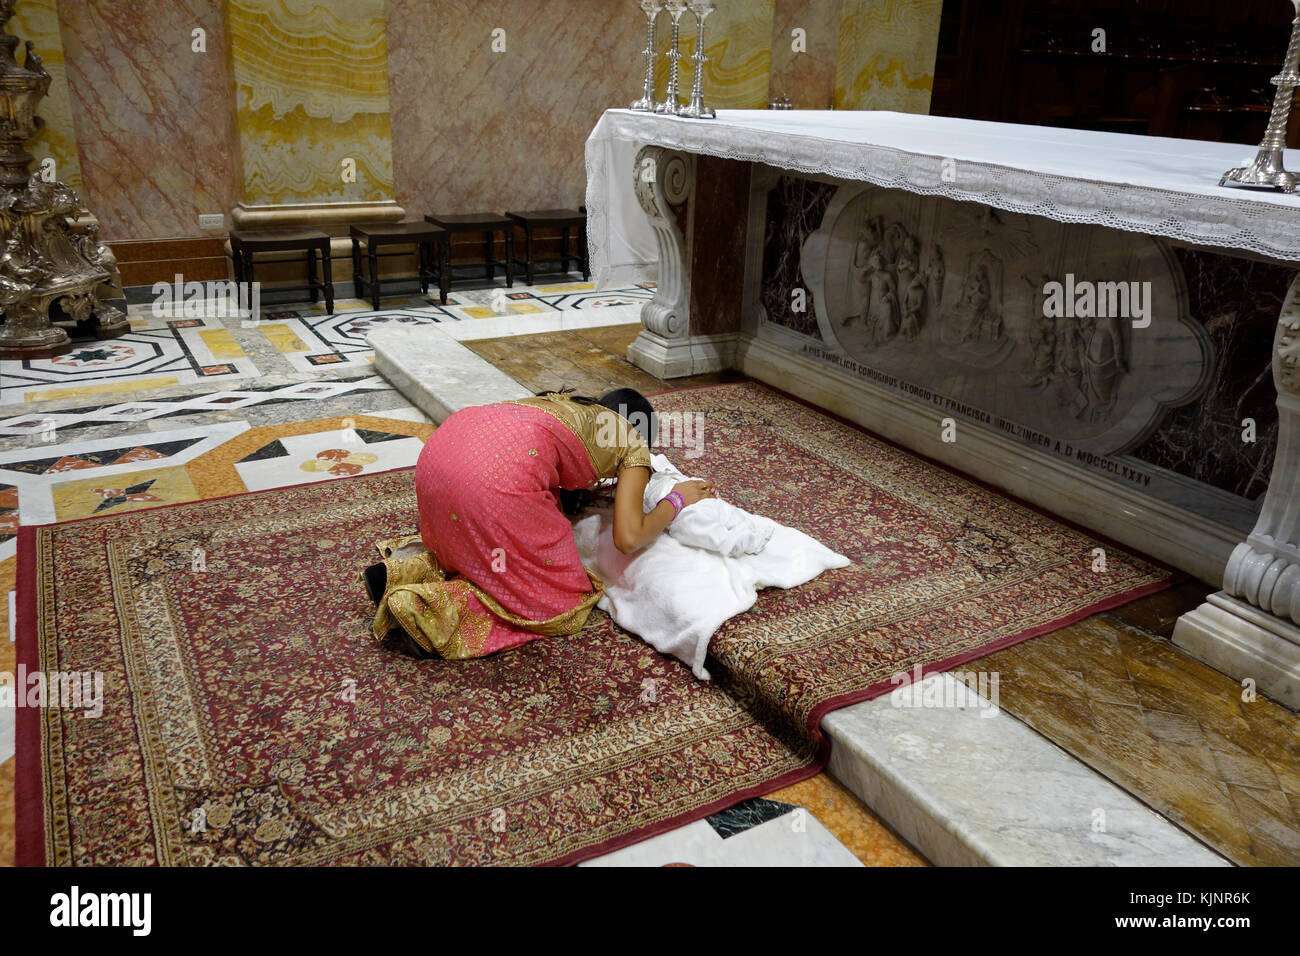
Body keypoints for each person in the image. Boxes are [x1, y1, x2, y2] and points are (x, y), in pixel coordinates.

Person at [363, 388, 717, 660]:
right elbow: (629, 537)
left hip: (436, 463)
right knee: (560, 598)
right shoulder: (630, 440)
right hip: (487, 488)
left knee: (483, 546)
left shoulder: (561, 405)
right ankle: (425, 608)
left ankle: (403, 572)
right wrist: (677, 499)